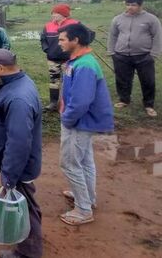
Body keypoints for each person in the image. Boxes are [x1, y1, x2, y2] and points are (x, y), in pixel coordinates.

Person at [0, 49, 43, 258]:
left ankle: (28, 254)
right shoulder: (16, 84)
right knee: (26, 204)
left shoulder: (18, 98)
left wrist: (9, 177)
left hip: (19, 165)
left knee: (25, 209)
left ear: (1, 68)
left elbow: (19, 143)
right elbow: (9, 114)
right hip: (19, 161)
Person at [58, 23, 114, 225]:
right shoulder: (81, 60)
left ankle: (83, 210)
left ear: (76, 41)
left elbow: (81, 101)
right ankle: (87, 198)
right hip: (83, 121)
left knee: (70, 164)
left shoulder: (85, 65)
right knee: (84, 161)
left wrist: (67, 119)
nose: (59, 43)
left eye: (63, 39)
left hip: (79, 122)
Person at [107, 0, 162, 117]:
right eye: (127, 4)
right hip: (121, 55)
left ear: (140, 5)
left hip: (144, 55)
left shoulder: (151, 19)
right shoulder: (118, 19)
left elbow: (157, 37)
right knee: (122, 79)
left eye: (133, 5)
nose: (130, 7)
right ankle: (124, 100)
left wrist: (153, 54)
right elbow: (113, 36)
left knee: (148, 81)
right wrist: (112, 52)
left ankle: (149, 104)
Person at [40, 4, 79, 111]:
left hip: (69, 59)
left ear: (63, 15)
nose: (52, 15)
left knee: (70, 80)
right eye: (52, 13)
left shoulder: (75, 24)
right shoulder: (48, 26)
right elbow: (43, 39)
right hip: (52, 59)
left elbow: (87, 35)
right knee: (54, 81)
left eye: (55, 13)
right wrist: (47, 50)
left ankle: (69, 103)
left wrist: (77, 50)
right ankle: (53, 103)